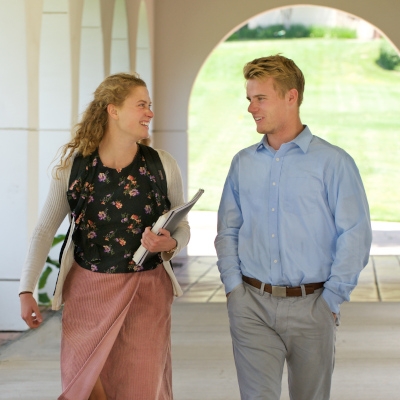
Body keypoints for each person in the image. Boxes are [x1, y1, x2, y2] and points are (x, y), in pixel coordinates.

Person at [19, 73, 190, 400]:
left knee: (140, 387)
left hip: (147, 292)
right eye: (141, 105)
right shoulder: (74, 169)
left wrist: (170, 243)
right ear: (113, 110)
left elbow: (181, 225)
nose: (150, 113)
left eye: (150, 106)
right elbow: (44, 229)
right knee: (83, 386)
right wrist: (26, 288)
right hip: (87, 293)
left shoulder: (162, 165)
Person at [214, 55, 372, 400]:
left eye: (260, 98)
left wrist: (332, 300)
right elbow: (228, 229)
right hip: (251, 305)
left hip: (313, 306)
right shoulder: (242, 163)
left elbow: (355, 234)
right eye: (249, 99)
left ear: (291, 97)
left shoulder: (334, 163)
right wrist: (233, 289)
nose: (251, 108)